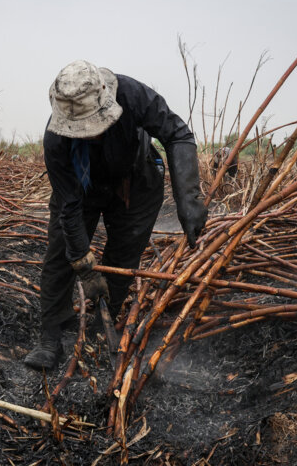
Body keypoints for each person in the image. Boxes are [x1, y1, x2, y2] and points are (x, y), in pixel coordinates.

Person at [24, 60, 208, 370]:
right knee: (59, 254)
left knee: (124, 254)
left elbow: (177, 135)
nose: (90, 134)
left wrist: (188, 199)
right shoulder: (56, 138)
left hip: (136, 180)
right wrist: (83, 263)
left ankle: (101, 324)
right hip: (83, 187)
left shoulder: (133, 95)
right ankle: (51, 336)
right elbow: (68, 205)